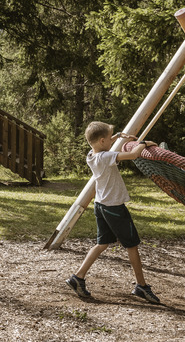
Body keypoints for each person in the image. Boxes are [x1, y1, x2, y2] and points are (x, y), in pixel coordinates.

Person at [66, 121, 162, 305]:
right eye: (109, 138)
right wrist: (145, 143)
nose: (112, 141)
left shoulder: (91, 155)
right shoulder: (105, 157)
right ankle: (141, 286)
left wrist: (118, 135)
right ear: (102, 141)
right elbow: (133, 154)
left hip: (101, 205)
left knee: (102, 243)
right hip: (114, 208)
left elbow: (104, 144)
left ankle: (77, 277)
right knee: (132, 245)